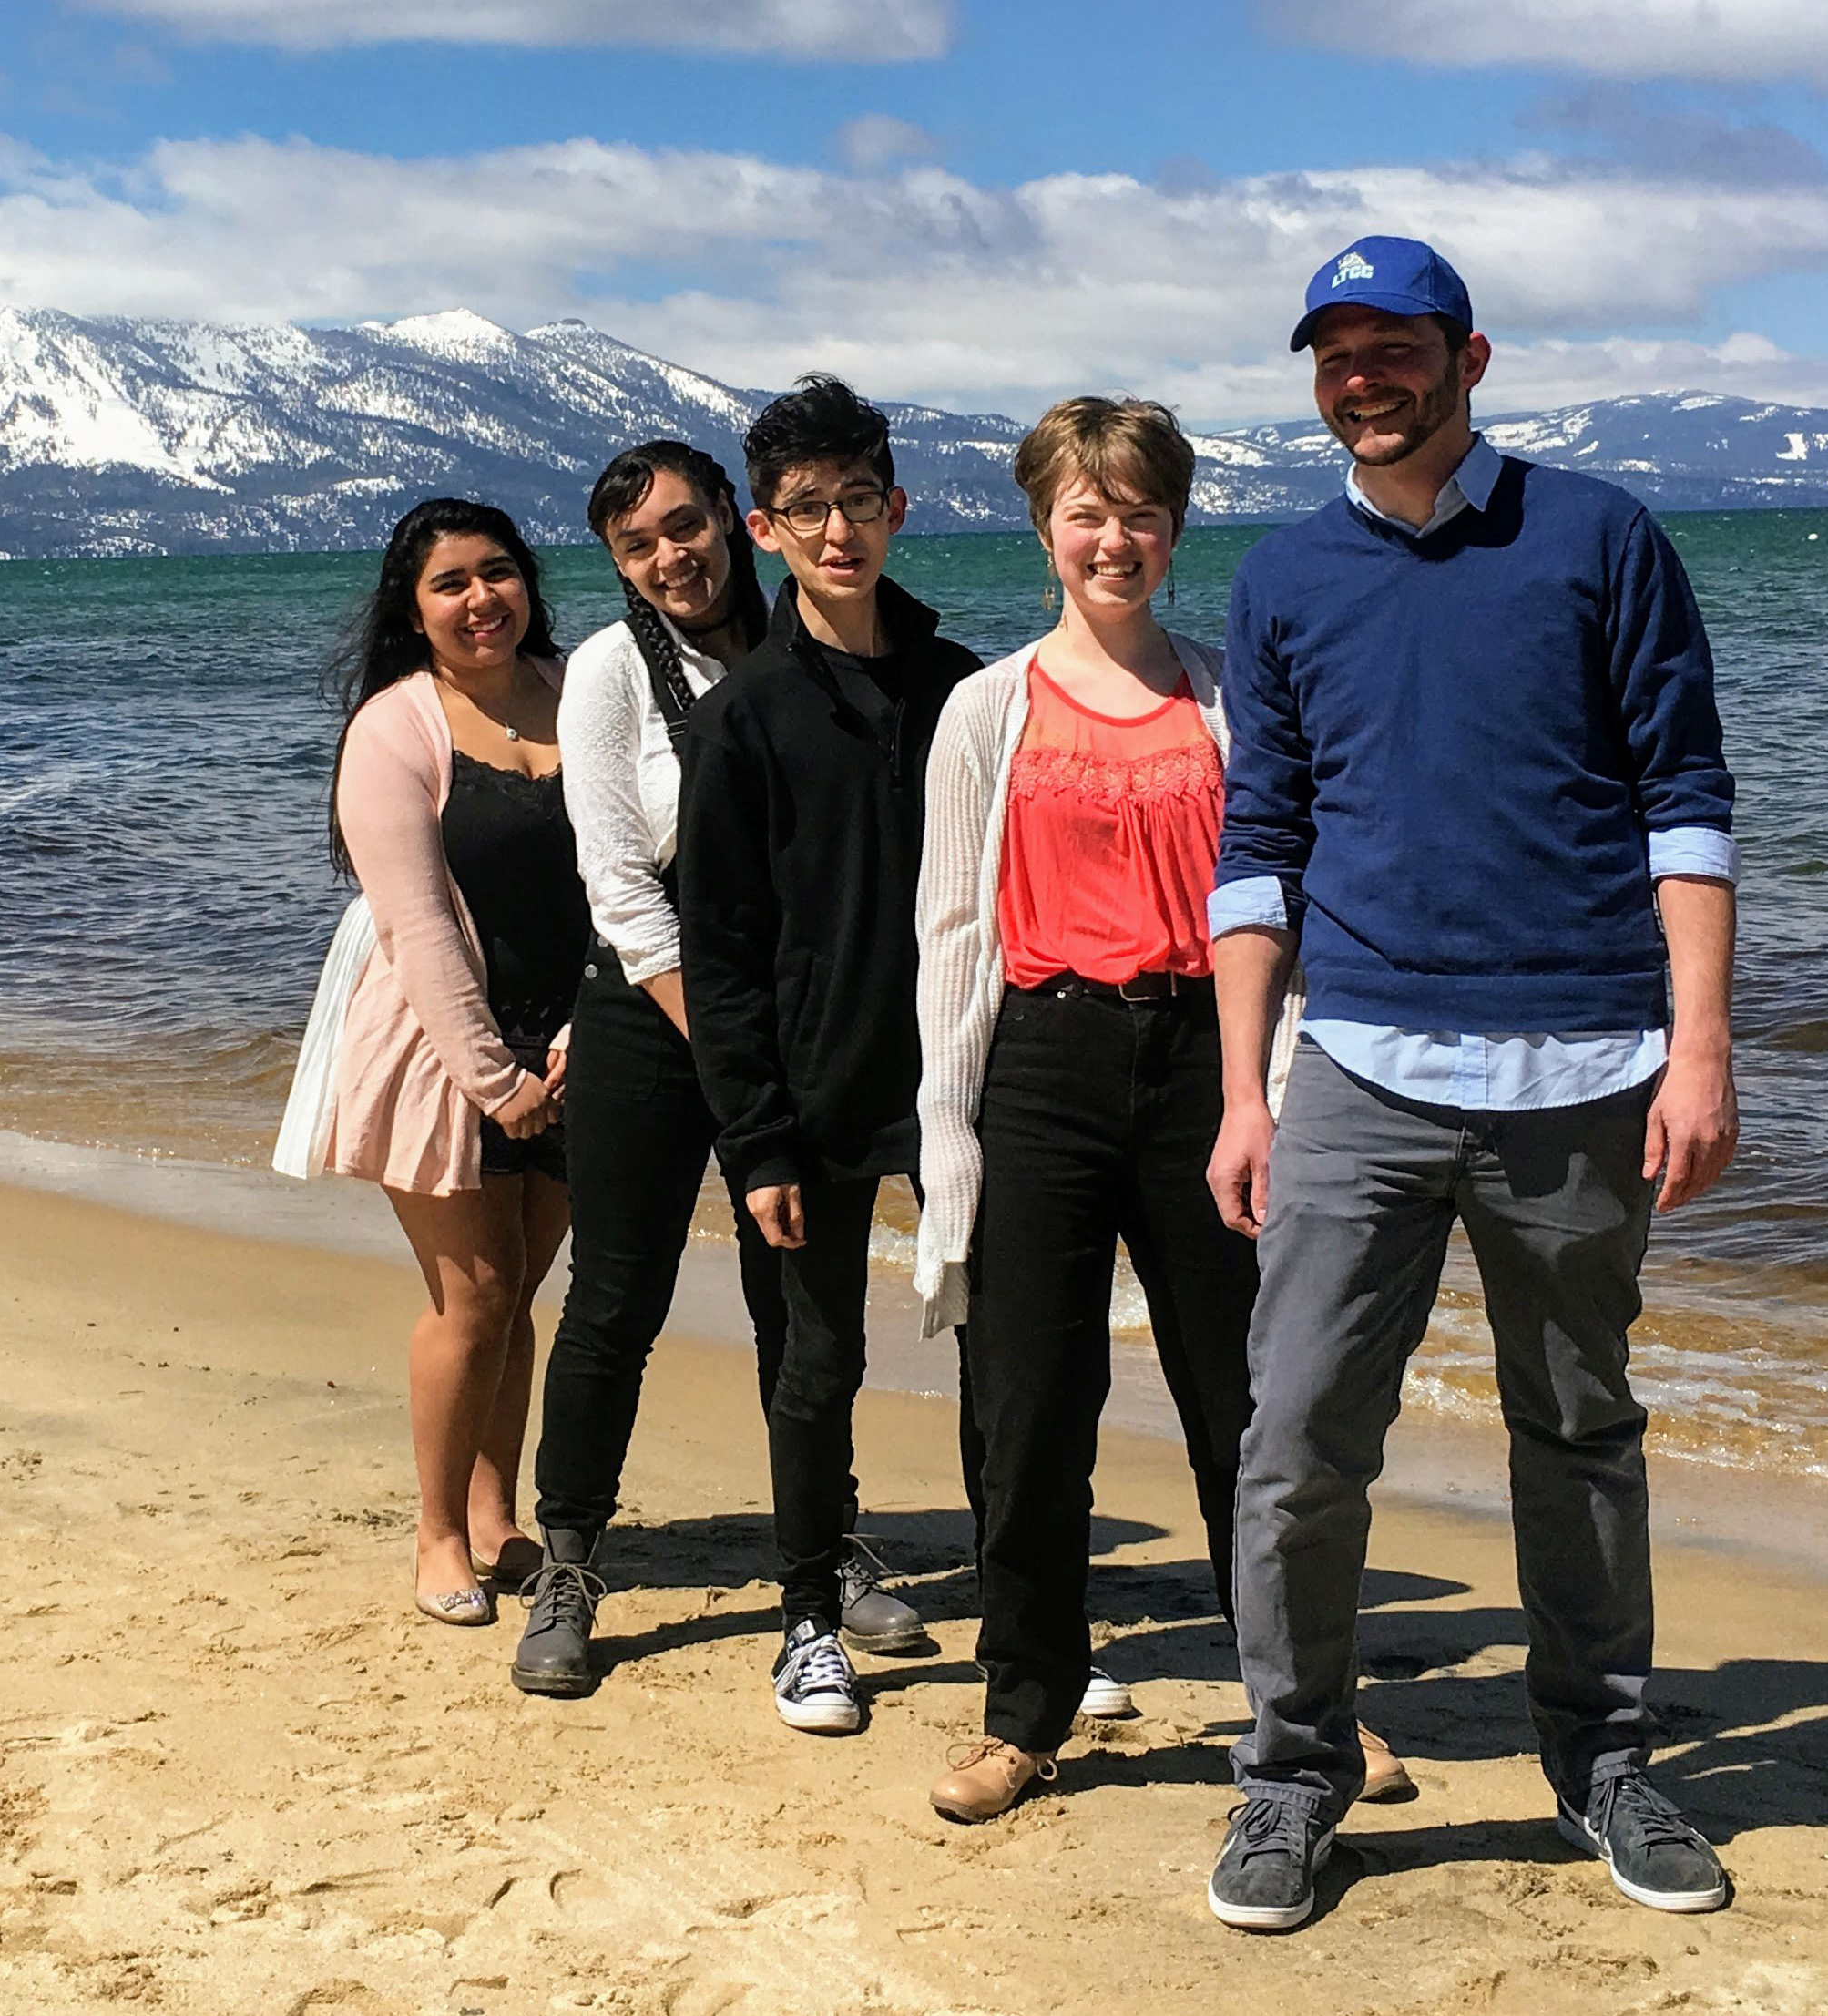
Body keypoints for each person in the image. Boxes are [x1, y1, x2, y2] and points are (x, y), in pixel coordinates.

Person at [1200, 238, 1741, 1930]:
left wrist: (1702, 1043)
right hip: (1356, 1061)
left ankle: (1602, 1763)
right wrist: (1243, 1090)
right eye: (1332, 353)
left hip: (1582, 1065)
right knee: (1294, 1435)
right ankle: (1292, 1771)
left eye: (1392, 348)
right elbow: (1258, 846)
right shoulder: (1284, 580)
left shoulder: (1596, 536)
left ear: (1470, 357)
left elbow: (1685, 801)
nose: (1361, 376)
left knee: (1577, 1427)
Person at [515, 443, 933, 1697]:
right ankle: (572, 1557)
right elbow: (622, 893)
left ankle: (827, 1538)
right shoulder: (605, 672)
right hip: (653, 1008)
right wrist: (733, 1039)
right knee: (616, 1298)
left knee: (803, 1306)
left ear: (735, 526)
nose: (669, 557)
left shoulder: (805, 640)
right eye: (638, 546)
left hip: (795, 1012)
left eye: (684, 526)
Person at [905, 396, 1267, 1822]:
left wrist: (1268, 1090)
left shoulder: (1235, 693)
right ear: (1044, 524)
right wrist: (948, 1132)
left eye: (1140, 512)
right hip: (1040, 1068)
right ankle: (1024, 1710)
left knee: (1247, 1403)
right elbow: (949, 933)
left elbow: (1278, 909)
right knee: (1033, 1405)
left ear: (1175, 529)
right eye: (1086, 511)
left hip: (1201, 1068)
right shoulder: (986, 709)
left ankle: (1302, 1701)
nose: (1114, 537)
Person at [675, 379, 979, 1735]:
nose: (839, 528)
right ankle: (808, 1614)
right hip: (810, 1089)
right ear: (766, 528)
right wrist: (755, 1136)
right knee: (818, 1360)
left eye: (861, 499)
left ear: (897, 508)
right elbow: (722, 943)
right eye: (809, 508)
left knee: (1007, 1349)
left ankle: (1032, 1612)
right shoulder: (743, 713)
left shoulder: (961, 685)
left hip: (966, 1078)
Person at [311, 497, 587, 1626]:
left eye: (499, 573)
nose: (482, 600)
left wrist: (573, 1040)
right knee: (467, 1299)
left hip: (574, 1039)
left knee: (522, 1290)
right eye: (450, 583)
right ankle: (436, 1537)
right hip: (443, 1046)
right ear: (412, 609)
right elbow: (417, 927)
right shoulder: (393, 727)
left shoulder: (584, 697)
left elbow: (636, 870)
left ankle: (494, 1513)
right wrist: (495, 1076)